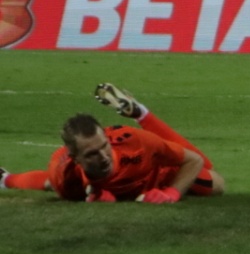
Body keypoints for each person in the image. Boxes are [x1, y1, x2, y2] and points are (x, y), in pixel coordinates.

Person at [2, 84, 225, 202]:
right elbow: (54, 181)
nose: (103, 157)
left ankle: (142, 114)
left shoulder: (135, 142)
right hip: (92, 181)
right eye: (92, 154)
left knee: (215, 182)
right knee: (52, 183)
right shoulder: (64, 174)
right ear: (74, 158)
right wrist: (95, 194)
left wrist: (171, 194)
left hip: (158, 174)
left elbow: (195, 160)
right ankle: (5, 179)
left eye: (104, 146)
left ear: (107, 138)